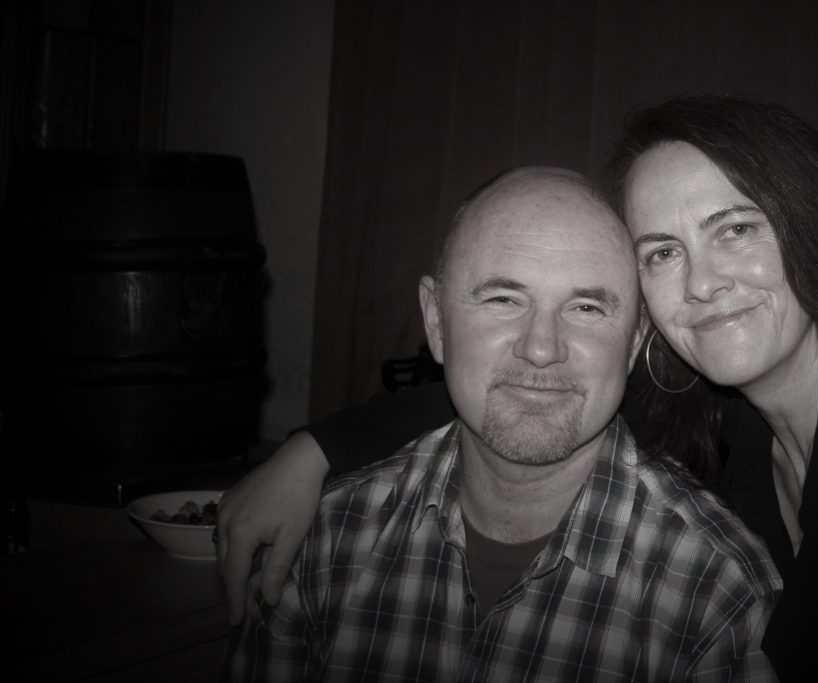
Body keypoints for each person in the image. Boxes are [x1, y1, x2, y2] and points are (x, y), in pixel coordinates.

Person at [218, 96, 818, 680]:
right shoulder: (727, 418)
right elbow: (529, 388)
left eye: (735, 228)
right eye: (663, 251)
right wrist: (314, 447)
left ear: (812, 225)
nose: (701, 282)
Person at [221, 167, 782, 681]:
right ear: (436, 321)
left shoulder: (715, 591)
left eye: (586, 308)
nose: (541, 348)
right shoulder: (321, 541)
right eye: (502, 299)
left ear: (634, 343)